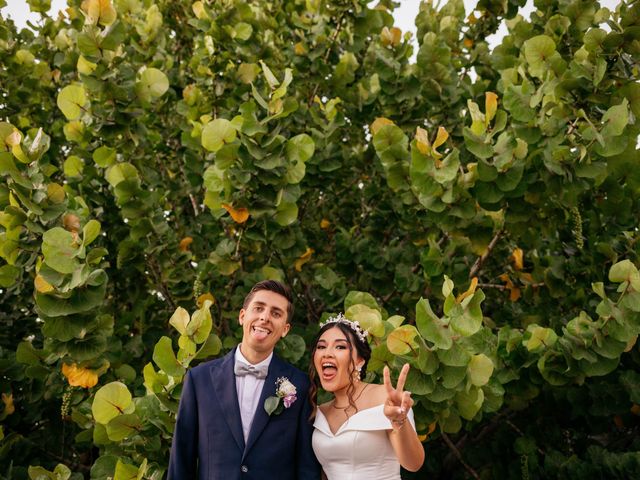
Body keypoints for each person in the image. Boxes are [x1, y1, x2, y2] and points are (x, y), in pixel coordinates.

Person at [168, 280, 320, 480]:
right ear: (242, 316)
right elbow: (181, 461)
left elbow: (306, 468)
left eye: (276, 313)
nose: (265, 317)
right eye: (258, 308)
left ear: (285, 329)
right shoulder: (199, 380)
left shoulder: (300, 385)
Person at [309, 313, 425, 479]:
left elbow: (414, 463)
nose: (327, 353)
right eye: (321, 347)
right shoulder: (319, 412)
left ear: (360, 360)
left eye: (340, 347)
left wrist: (400, 421)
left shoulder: (385, 398)